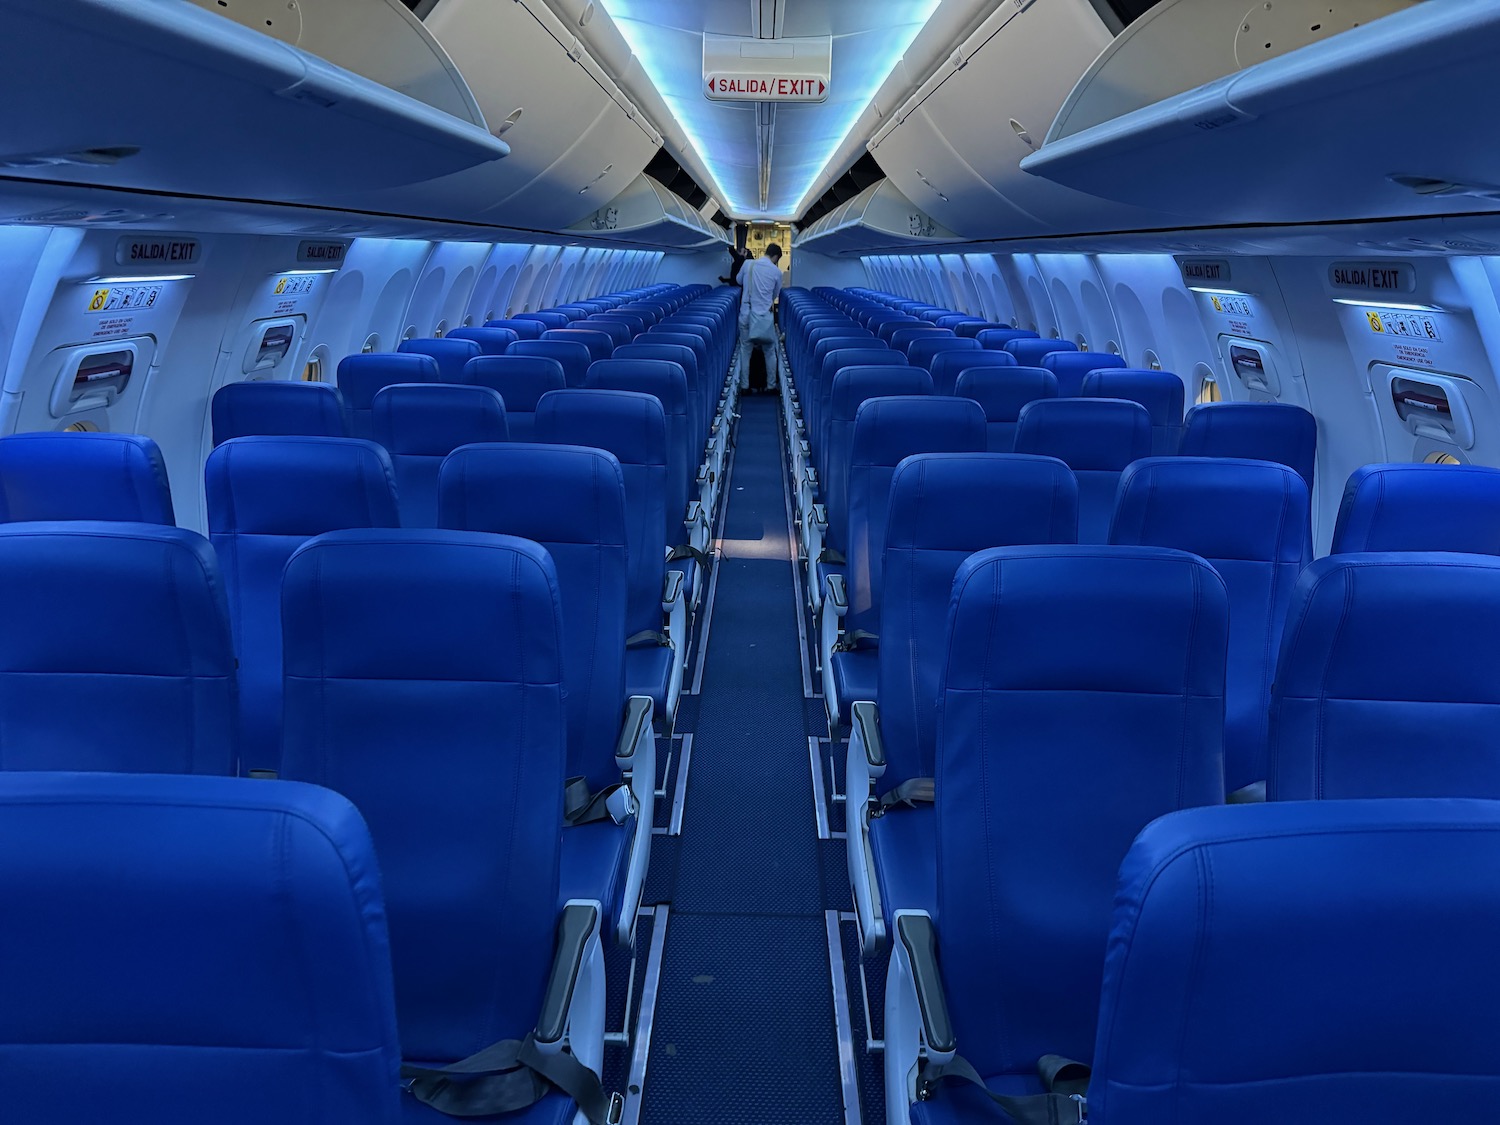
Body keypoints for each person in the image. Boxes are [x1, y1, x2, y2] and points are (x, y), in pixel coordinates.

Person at [736, 244, 783, 393]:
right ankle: (770, 386)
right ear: (775, 257)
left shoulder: (748, 264)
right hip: (764, 318)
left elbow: (738, 281)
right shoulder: (776, 272)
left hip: (746, 315)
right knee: (769, 350)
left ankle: (744, 386)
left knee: (745, 350)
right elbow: (775, 295)